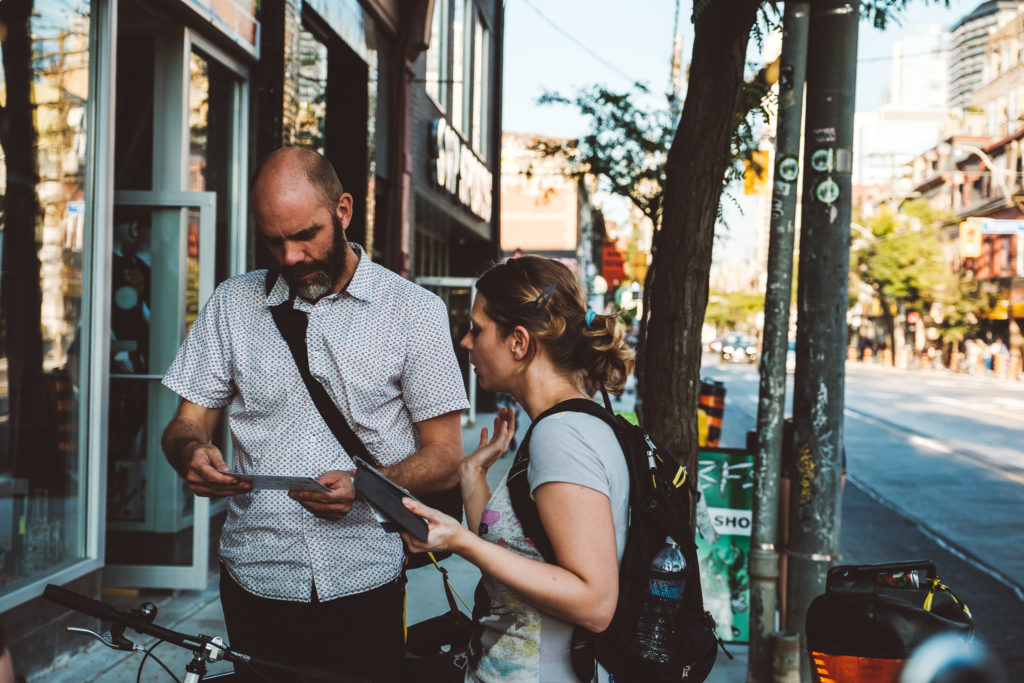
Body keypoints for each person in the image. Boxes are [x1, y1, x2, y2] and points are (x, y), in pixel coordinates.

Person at [160, 147, 468, 682]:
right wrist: (191, 452)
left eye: (306, 235)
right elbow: (185, 423)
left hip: (365, 578)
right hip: (254, 577)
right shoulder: (233, 305)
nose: (292, 256)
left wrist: (367, 485)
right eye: (274, 240)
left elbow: (445, 458)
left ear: (343, 210)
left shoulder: (415, 311)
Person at [400, 255, 635, 681]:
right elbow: (522, 560)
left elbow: (595, 603)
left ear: (519, 342)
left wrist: (461, 543)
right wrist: (472, 478)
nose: (466, 342)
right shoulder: (563, 425)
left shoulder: (562, 437)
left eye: (478, 329)